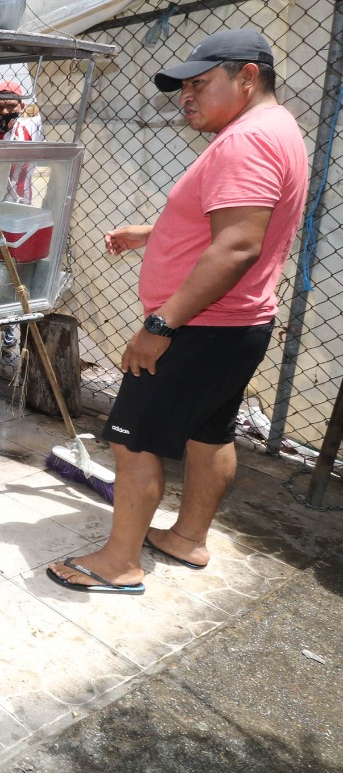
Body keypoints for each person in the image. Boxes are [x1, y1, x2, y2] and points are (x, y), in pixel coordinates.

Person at [47, 29, 308, 595]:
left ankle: (119, 563)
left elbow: (237, 245)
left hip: (199, 325)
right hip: (240, 324)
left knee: (131, 440)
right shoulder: (276, 127)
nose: (186, 97)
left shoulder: (247, 142)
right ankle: (188, 539)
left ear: (247, 76)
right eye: (182, 87)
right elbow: (232, 224)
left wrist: (160, 324)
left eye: (199, 84)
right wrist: (154, 234)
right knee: (210, 433)